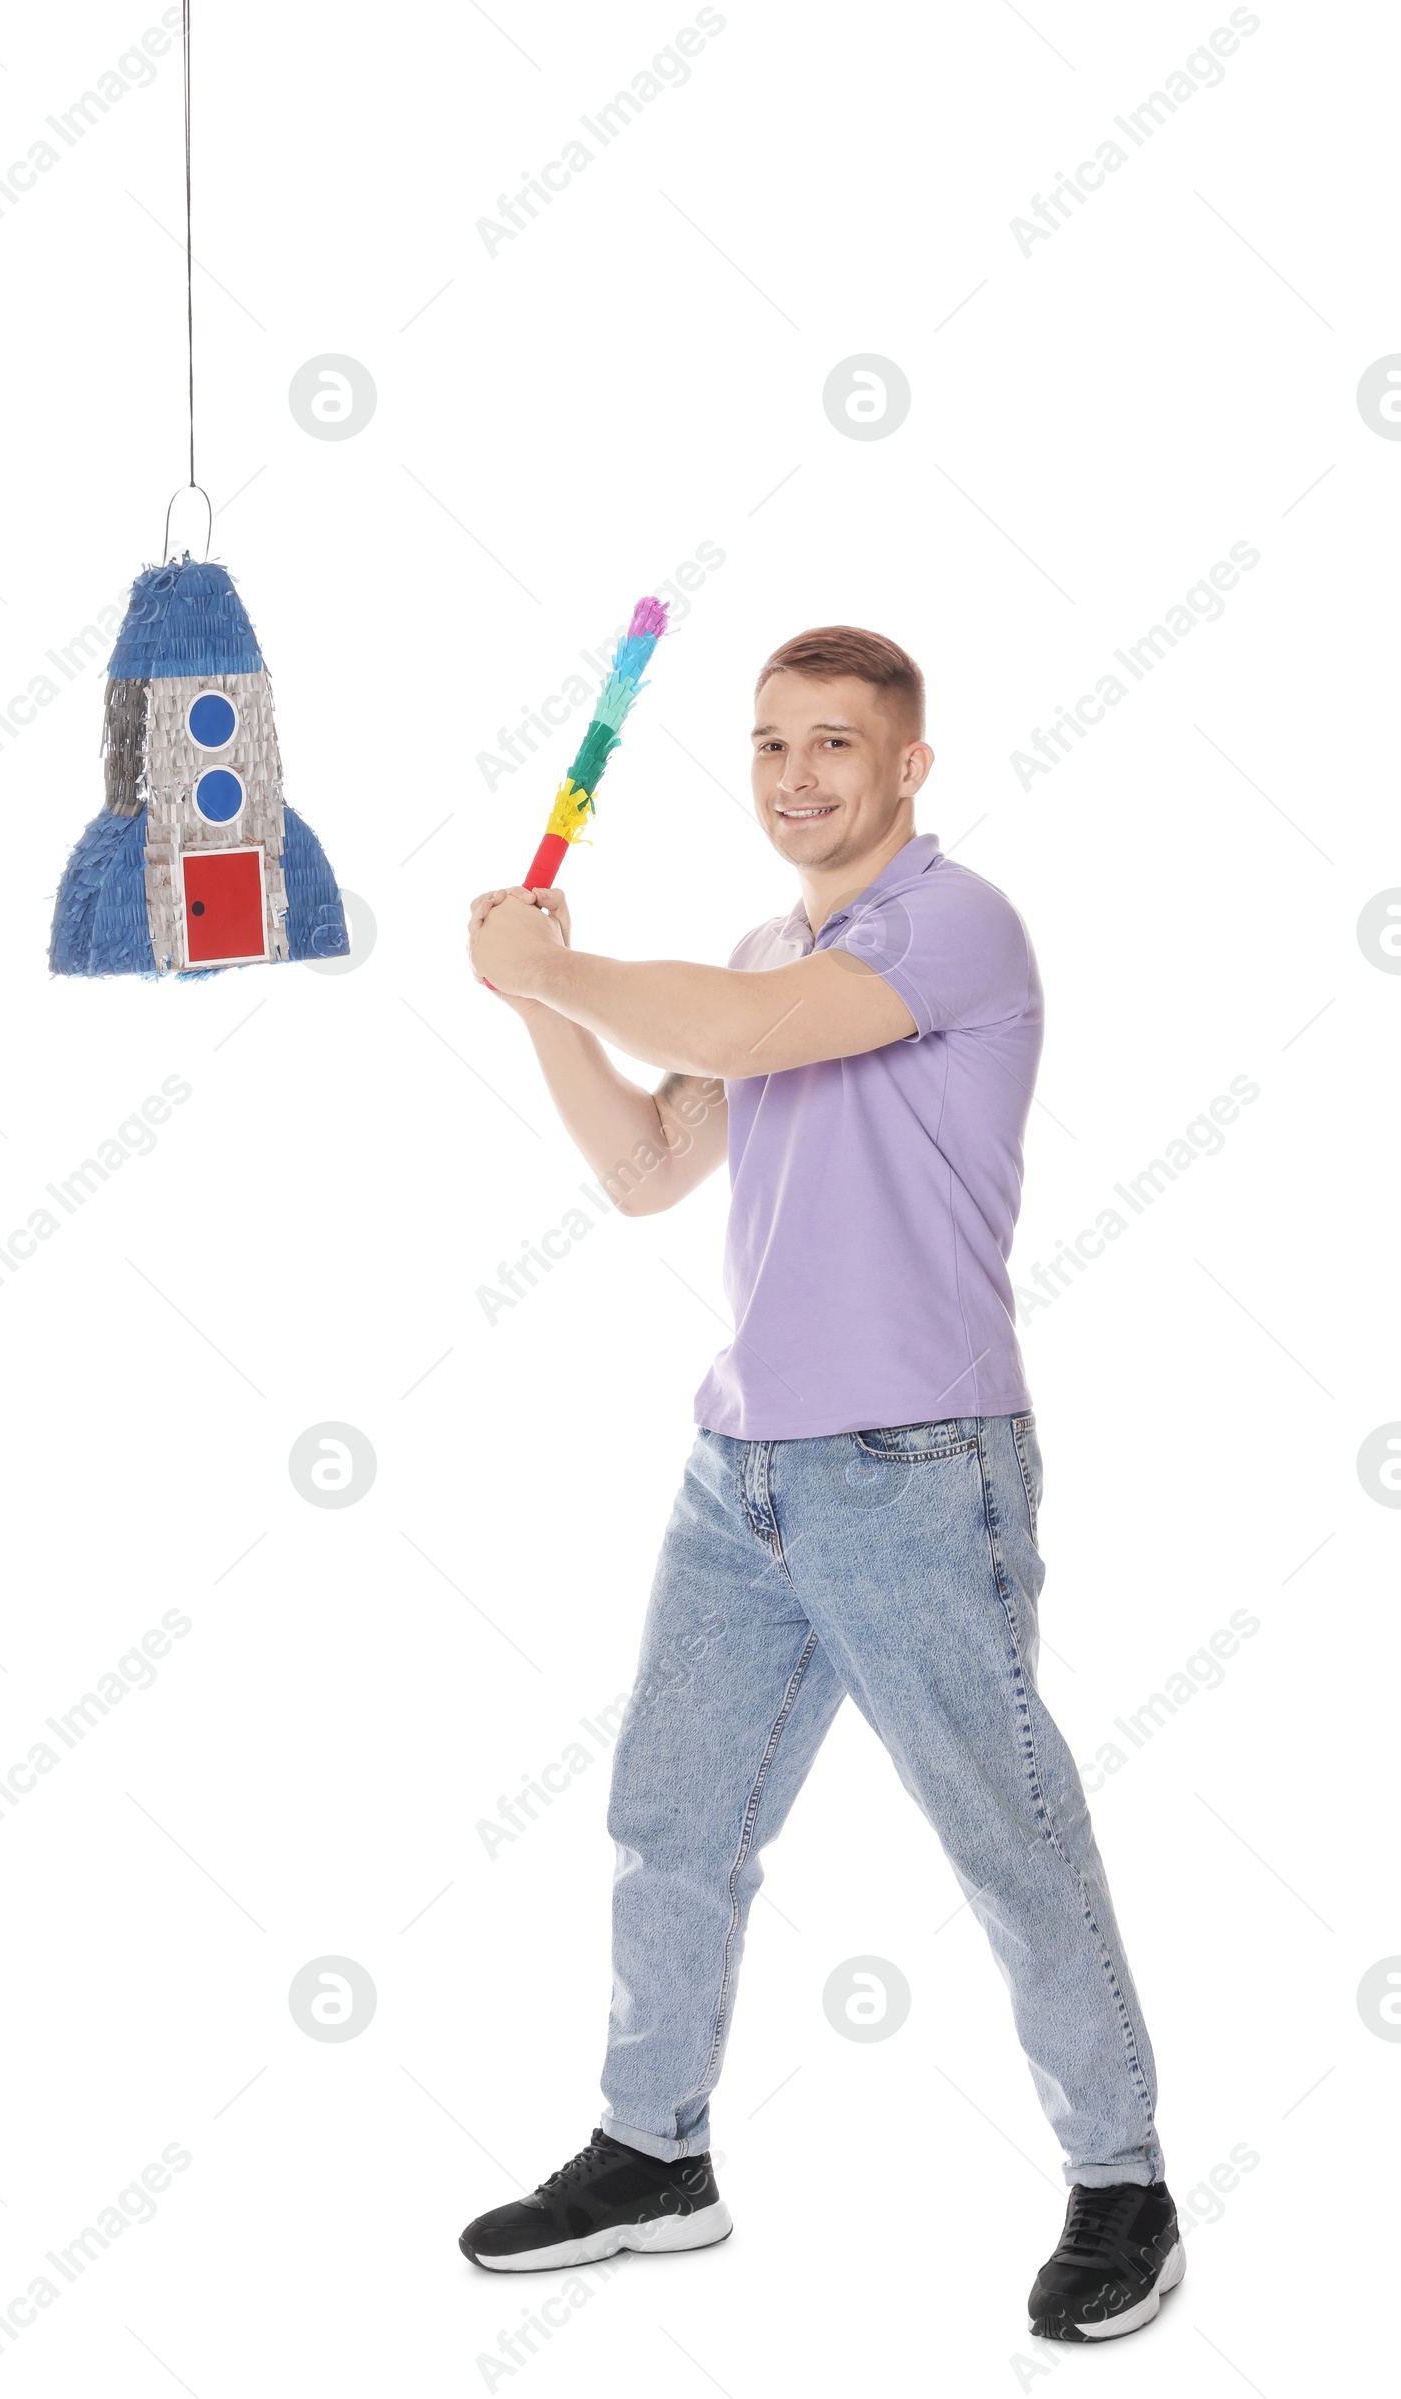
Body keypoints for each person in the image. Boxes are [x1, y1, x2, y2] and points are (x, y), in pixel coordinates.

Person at [458, 626, 1182, 2341]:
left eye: (836, 744)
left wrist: (557, 972)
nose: (798, 774)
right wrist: (534, 998)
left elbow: (759, 1028)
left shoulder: (953, 927)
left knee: (1006, 1837)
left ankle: (1125, 2187)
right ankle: (655, 2154)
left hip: (918, 1467)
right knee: (669, 1822)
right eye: (773, 742)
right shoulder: (756, 941)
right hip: (745, 1468)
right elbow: (647, 1164)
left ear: (907, 765)